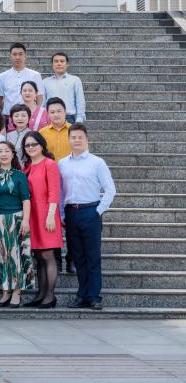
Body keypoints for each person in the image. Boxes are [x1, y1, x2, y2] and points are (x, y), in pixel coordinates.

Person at [59, 124, 116, 310]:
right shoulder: (62, 164)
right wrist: (61, 213)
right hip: (71, 212)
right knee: (78, 256)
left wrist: (98, 211)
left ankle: (94, 296)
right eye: (73, 137)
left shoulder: (97, 162)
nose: (76, 140)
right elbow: (60, 192)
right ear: (68, 139)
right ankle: (82, 295)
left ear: (86, 139)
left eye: (80, 137)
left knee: (93, 256)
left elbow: (110, 189)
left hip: (90, 211)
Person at [0, 141, 34, 308]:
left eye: (7, 151)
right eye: (0, 151)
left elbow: (26, 200)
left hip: (16, 218)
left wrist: (26, 220)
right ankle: (5, 291)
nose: (3, 154)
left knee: (16, 256)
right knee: (0, 255)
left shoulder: (20, 175)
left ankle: (17, 291)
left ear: (13, 154)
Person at [21, 130, 63, 309]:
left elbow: (54, 191)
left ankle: (50, 296)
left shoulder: (49, 164)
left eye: (34, 144)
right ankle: (40, 294)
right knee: (38, 255)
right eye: (27, 145)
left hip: (46, 214)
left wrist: (51, 215)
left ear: (42, 145)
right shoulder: (27, 166)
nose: (31, 147)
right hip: (33, 214)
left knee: (47, 254)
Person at [0, 42, 43, 115]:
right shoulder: (2, 76)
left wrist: (36, 113)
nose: (17, 57)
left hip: (30, 115)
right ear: (10, 56)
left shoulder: (35, 75)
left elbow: (39, 97)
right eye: (14, 54)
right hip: (9, 116)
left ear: (25, 56)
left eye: (20, 54)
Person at [43, 52, 86, 122]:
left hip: (68, 118)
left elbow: (80, 100)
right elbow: (43, 102)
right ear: (52, 64)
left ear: (67, 64)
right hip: (50, 118)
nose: (59, 64)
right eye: (56, 61)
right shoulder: (45, 82)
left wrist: (80, 117)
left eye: (62, 61)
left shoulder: (75, 80)